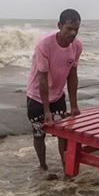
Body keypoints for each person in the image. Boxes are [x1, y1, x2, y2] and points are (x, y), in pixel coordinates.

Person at [26, 9, 82, 179]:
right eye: (69, 29)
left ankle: (67, 169)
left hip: (58, 96)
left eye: (76, 29)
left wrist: (74, 106)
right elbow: (42, 80)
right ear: (59, 26)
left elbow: (72, 76)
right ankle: (43, 167)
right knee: (39, 134)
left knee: (63, 134)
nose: (73, 33)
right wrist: (46, 111)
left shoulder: (77, 46)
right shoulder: (45, 44)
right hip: (37, 97)